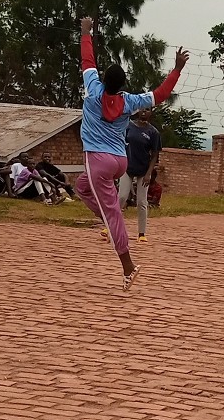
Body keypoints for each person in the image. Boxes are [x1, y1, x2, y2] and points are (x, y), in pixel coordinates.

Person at [76, 16, 188, 290]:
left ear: (103, 79)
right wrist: (176, 69)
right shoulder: (129, 101)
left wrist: (86, 32)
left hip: (98, 159)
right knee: (81, 187)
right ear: (123, 84)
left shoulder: (92, 90)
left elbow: (88, 61)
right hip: (119, 160)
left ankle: (128, 267)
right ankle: (106, 218)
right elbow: (160, 94)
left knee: (114, 213)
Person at [118, 108, 162, 243]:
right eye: (142, 109)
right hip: (127, 167)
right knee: (122, 197)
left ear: (150, 113)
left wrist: (149, 173)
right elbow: (120, 143)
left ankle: (141, 234)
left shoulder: (153, 132)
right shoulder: (128, 126)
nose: (144, 112)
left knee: (142, 202)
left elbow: (154, 155)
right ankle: (110, 227)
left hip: (143, 170)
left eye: (147, 109)